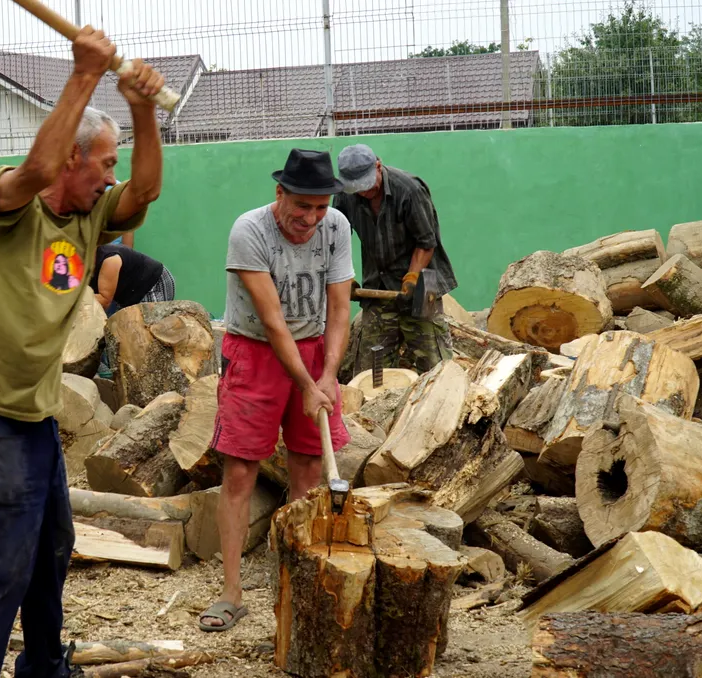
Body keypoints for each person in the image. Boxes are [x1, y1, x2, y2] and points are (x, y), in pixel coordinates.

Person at [0, 25, 165, 678]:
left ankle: (42, 664)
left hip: (35, 417)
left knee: (49, 547)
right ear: (72, 160)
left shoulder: (90, 217)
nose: (111, 177)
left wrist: (143, 108)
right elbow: (37, 167)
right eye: (104, 163)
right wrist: (84, 73)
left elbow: (145, 190)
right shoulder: (8, 206)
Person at [198, 148, 354, 632]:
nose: (310, 218)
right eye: (301, 205)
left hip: (313, 351)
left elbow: (340, 310)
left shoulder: (337, 227)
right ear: (279, 193)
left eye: (320, 206)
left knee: (308, 464)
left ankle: (294, 578)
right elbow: (272, 322)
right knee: (242, 470)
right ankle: (231, 592)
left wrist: (327, 375)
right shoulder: (250, 231)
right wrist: (307, 383)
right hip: (256, 352)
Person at [334, 144, 457, 375]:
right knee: (372, 373)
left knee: (436, 367)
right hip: (377, 285)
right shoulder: (344, 195)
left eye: (365, 185)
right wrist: (345, 277)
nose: (361, 192)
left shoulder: (409, 190)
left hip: (421, 285)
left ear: (378, 167)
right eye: (356, 188)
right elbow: (337, 239)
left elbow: (426, 242)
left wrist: (412, 277)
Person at [88, 243, 175, 315]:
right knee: (121, 331)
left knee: (148, 328)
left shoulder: (110, 260)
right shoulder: (78, 267)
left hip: (153, 283)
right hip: (128, 294)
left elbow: (104, 300)